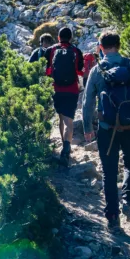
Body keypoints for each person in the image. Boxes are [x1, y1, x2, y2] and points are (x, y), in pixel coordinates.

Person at [81, 30, 130, 229]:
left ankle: (112, 216)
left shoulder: (97, 70)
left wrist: (87, 127)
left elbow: (87, 102)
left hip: (107, 129)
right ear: (119, 46)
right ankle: (128, 202)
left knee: (109, 172)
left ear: (101, 48)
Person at [45, 27, 83, 165]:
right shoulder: (76, 51)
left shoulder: (51, 50)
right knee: (69, 121)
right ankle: (66, 148)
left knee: (60, 118)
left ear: (59, 37)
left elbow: (46, 70)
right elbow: (79, 71)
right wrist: (80, 86)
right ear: (71, 38)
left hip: (55, 89)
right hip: (71, 90)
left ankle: (63, 144)